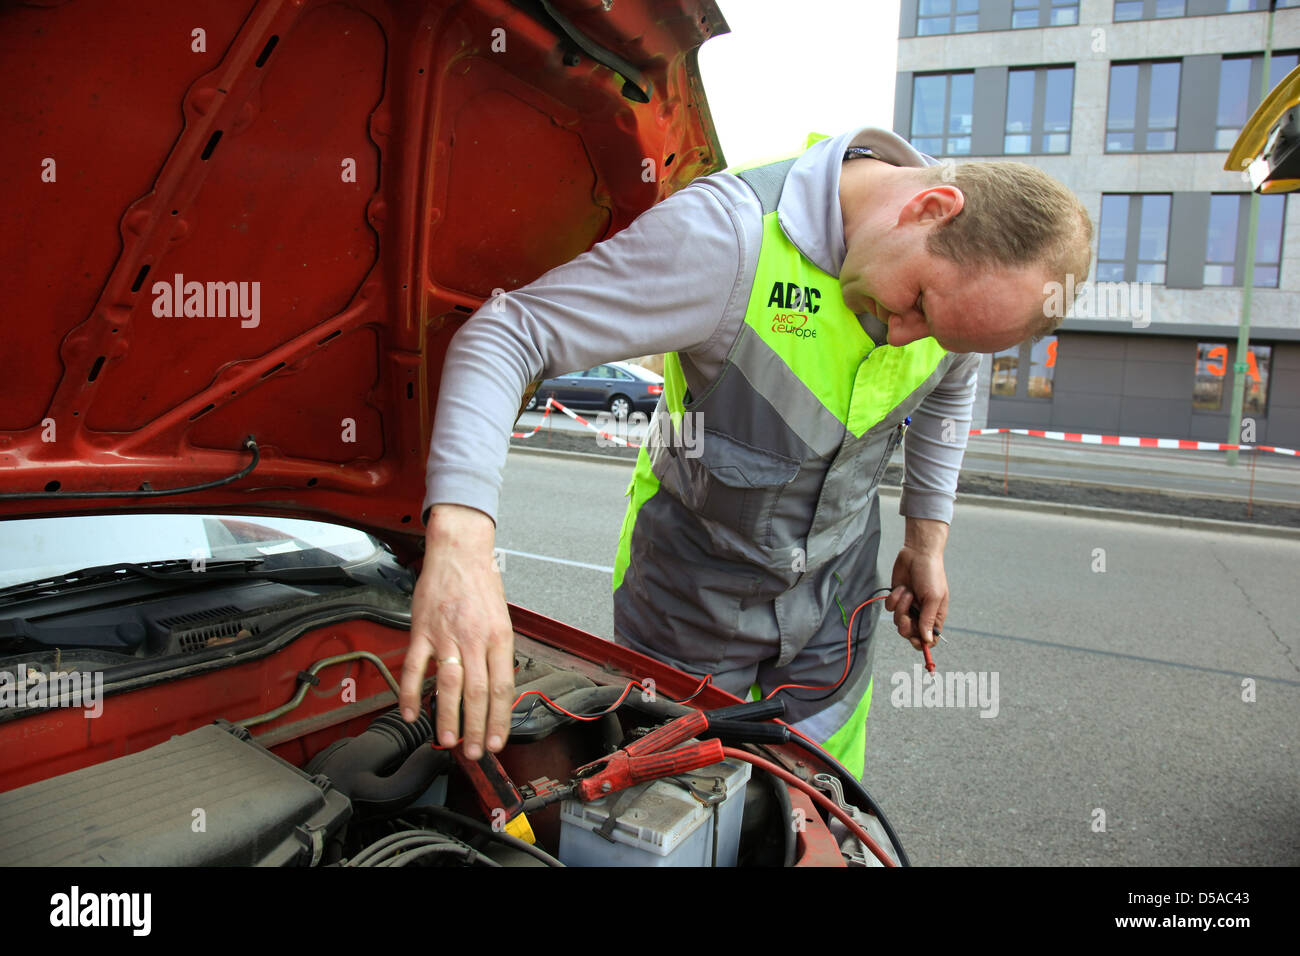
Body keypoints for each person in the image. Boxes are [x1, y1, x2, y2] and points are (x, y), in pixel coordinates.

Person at [397, 126, 1093, 775]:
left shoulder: (950, 310)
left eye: (942, 336)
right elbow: (509, 333)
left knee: (812, 811)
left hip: (836, 609)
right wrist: (460, 549)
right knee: (670, 806)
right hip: (690, 599)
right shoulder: (726, 240)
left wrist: (927, 540)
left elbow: (949, 393)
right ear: (929, 208)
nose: (908, 338)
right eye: (918, 305)